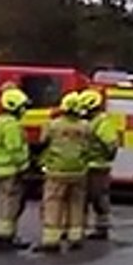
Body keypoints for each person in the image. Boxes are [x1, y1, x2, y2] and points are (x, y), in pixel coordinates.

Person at [38, 92, 92, 253]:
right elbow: (88, 148)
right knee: (76, 203)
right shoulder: (86, 127)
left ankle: (51, 240)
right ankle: (75, 236)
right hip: (78, 172)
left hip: (57, 172)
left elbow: (42, 141)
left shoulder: (53, 125)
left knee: (53, 203)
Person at [0, 86, 31, 252]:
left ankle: (2, 234)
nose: (24, 110)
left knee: (3, 201)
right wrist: (25, 167)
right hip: (11, 170)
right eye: (23, 107)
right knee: (11, 204)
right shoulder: (11, 125)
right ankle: (7, 238)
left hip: (0, 169)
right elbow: (15, 149)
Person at [79, 88, 118, 241]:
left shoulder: (102, 123)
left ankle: (102, 229)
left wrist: (106, 158)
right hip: (87, 166)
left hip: (98, 167)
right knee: (83, 199)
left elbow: (111, 144)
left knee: (99, 198)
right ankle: (79, 228)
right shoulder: (90, 121)